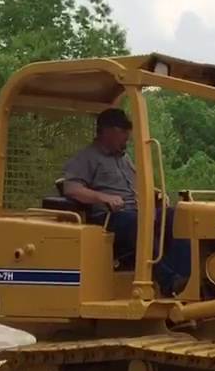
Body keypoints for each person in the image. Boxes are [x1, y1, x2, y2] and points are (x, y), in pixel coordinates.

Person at [61, 108, 190, 296]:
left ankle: (186, 277)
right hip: (108, 218)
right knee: (139, 223)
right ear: (108, 131)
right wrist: (103, 197)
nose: (127, 139)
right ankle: (168, 280)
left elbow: (135, 185)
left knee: (177, 215)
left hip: (135, 212)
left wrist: (155, 193)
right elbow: (71, 188)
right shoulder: (86, 158)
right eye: (123, 134)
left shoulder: (124, 158)